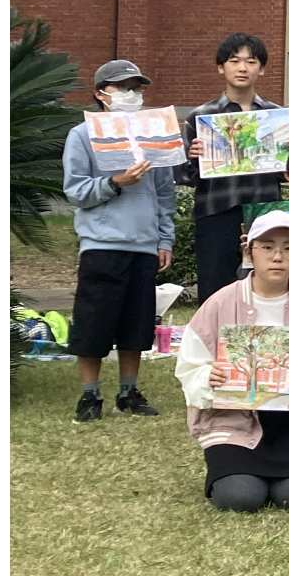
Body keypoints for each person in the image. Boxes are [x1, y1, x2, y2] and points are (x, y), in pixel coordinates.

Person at [174, 209, 289, 512]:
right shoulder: (221, 302)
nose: (277, 256)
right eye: (267, 247)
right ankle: (234, 469)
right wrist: (208, 376)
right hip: (233, 418)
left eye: (288, 248)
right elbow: (190, 363)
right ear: (249, 252)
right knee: (240, 496)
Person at [63, 58, 178, 422]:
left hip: (143, 245)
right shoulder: (82, 135)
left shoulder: (154, 136)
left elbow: (165, 194)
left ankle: (129, 391)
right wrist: (115, 182)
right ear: (101, 93)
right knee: (93, 323)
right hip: (101, 244)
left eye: (136, 88)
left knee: (136, 325)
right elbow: (76, 190)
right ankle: (89, 394)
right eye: (123, 88)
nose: (131, 94)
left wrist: (165, 239)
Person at [180, 32, 287, 304]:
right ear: (221, 67)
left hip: (264, 213)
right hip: (217, 213)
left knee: (266, 290)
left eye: (251, 62)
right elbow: (184, 176)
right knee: (215, 292)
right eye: (234, 61)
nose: (242, 68)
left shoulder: (275, 116)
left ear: (261, 69)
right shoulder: (201, 116)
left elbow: (288, 175)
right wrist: (193, 158)